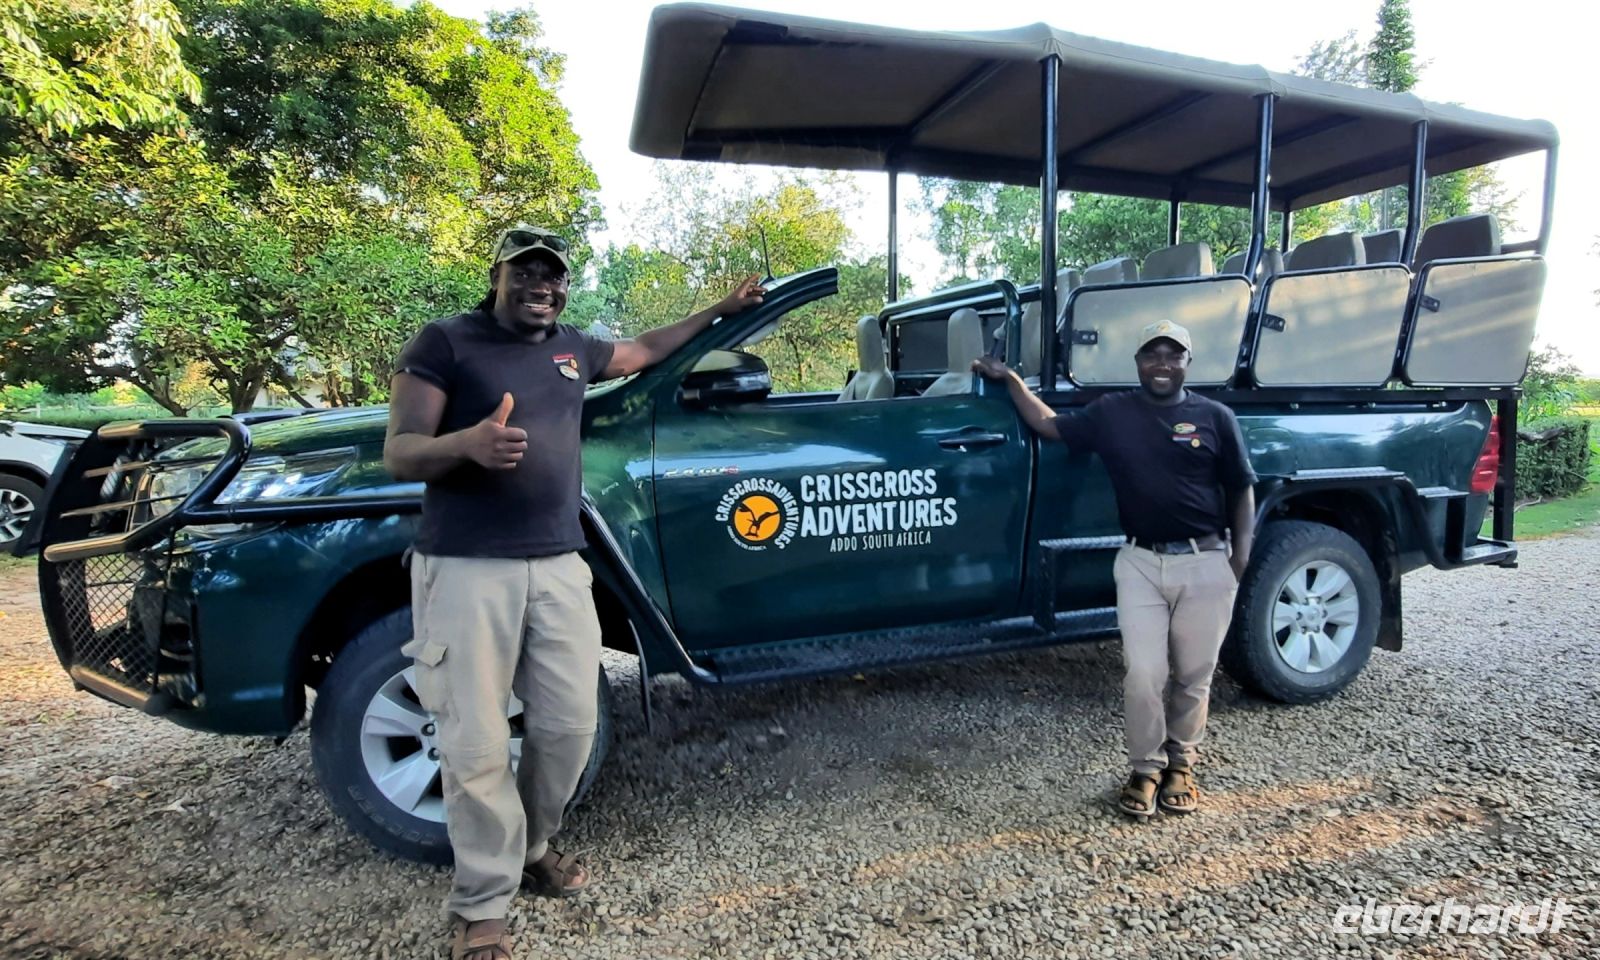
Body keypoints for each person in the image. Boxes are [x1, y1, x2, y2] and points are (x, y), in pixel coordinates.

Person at [383, 224, 765, 960]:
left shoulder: (573, 348)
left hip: (559, 565)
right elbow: (400, 452)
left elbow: (645, 350)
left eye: (552, 275)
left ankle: (531, 847)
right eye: (525, 272)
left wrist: (719, 309)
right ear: (496, 276)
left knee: (567, 730)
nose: (540, 285)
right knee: (474, 743)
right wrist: (467, 445)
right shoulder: (444, 343)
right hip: (466, 569)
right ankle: (483, 903)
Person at [973, 318, 1255, 819]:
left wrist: (1239, 560)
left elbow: (1241, 488)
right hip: (1140, 562)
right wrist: (1013, 381)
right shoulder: (1113, 412)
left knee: (1194, 675)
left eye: (1173, 355)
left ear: (1187, 362)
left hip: (1205, 562)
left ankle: (1181, 765)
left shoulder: (1215, 417)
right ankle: (1145, 769)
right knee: (1144, 674)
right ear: (1138, 362)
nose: (1162, 364)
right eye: (1152, 354)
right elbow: (1048, 425)